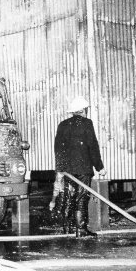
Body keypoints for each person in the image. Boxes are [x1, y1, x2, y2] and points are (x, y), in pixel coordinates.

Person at [54, 96, 107, 237]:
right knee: (82, 197)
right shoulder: (87, 123)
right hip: (83, 168)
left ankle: (67, 228)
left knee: (69, 196)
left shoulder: (63, 124)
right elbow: (92, 147)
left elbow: (58, 149)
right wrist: (99, 166)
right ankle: (81, 229)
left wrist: (60, 169)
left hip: (68, 170)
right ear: (83, 110)